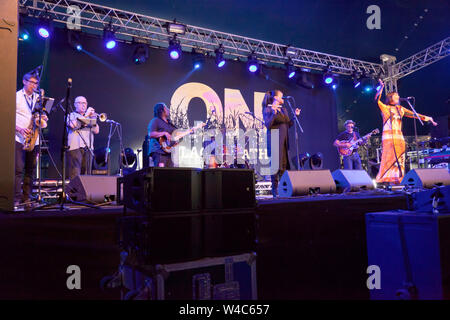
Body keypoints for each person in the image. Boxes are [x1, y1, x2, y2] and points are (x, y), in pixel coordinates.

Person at [374, 79, 437, 184]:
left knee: (400, 159)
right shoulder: (385, 108)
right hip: (389, 138)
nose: (398, 97)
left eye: (398, 95)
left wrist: (428, 118)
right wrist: (381, 88)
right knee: (389, 159)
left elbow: (414, 114)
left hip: (399, 137)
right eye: (396, 95)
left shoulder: (400, 109)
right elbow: (376, 100)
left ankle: (399, 180)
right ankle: (389, 181)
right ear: (390, 98)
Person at [15, 71, 48, 209]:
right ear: (24, 81)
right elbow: (7, 116)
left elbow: (44, 116)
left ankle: (26, 197)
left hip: (34, 139)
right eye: (32, 82)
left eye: (36, 83)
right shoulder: (16, 96)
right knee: (17, 169)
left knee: (30, 169)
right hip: (18, 137)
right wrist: (19, 129)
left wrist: (44, 117)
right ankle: (15, 198)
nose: (34, 85)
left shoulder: (38, 99)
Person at [263, 90, 301, 197]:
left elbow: (288, 124)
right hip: (274, 140)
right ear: (275, 98)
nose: (283, 98)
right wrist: (273, 113)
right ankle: (275, 191)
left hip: (284, 141)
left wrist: (295, 116)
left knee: (284, 166)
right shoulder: (268, 108)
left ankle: (284, 189)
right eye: (281, 97)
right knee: (275, 166)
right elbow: (268, 125)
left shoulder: (284, 109)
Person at [67, 96, 100, 180]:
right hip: (75, 147)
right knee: (75, 174)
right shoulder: (71, 115)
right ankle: (74, 193)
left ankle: (85, 193)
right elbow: (73, 125)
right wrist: (86, 115)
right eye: (80, 103)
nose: (83, 105)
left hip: (88, 148)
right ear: (75, 104)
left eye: (84, 103)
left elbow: (96, 131)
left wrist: (93, 118)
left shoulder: (89, 117)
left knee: (86, 175)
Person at [147, 103, 177, 167]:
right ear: (162, 110)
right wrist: (164, 133)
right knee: (161, 173)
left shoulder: (169, 124)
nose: (168, 110)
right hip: (159, 151)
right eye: (166, 108)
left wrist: (190, 131)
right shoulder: (155, 121)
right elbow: (151, 134)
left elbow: (176, 133)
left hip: (169, 152)